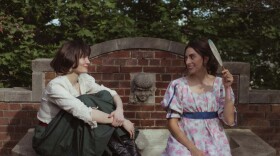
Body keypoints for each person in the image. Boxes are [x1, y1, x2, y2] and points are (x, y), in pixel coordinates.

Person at [32, 40, 141, 156]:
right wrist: (122, 121)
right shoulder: (56, 86)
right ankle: (123, 146)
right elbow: (83, 112)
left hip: (70, 129)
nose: (88, 61)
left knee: (104, 95)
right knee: (84, 100)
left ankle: (126, 147)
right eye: (83, 58)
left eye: (87, 58)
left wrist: (120, 111)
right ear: (71, 58)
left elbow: (111, 94)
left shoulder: (84, 79)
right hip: (50, 138)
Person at [161, 38, 236, 156]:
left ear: (205, 59)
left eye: (192, 57)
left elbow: (229, 120)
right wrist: (192, 149)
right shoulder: (178, 86)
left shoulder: (220, 85)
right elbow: (171, 123)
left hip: (215, 142)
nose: (187, 62)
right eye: (186, 58)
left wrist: (227, 88)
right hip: (184, 143)